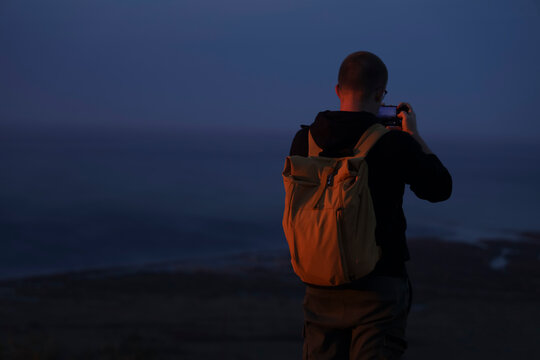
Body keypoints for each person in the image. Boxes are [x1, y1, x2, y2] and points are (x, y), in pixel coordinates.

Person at [288, 51, 452, 359]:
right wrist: (413, 135)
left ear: (337, 90)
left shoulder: (303, 141)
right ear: (380, 95)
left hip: (320, 286)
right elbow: (440, 188)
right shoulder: (395, 143)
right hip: (379, 289)